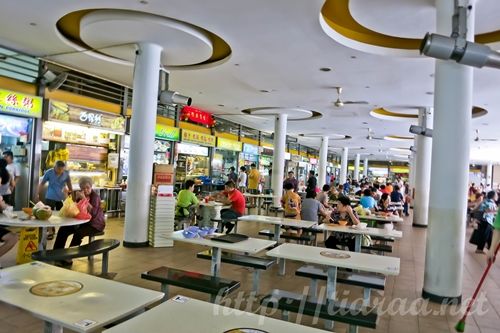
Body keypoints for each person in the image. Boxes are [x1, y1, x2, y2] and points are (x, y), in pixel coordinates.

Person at [53, 177, 105, 266]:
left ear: (91, 187)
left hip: (95, 224)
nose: (85, 190)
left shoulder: (95, 197)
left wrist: (84, 198)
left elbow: (94, 213)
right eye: (83, 188)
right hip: (82, 222)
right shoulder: (80, 196)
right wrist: (68, 196)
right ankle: (56, 253)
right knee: (63, 229)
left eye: (87, 187)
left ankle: (69, 257)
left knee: (78, 233)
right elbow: (73, 209)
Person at [38, 161, 72, 240]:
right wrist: (37, 194)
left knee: (63, 215)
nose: (60, 171)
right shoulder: (49, 172)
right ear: (54, 167)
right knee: (48, 215)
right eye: (58, 169)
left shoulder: (66, 173)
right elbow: (42, 183)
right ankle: (50, 232)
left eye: (61, 170)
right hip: (50, 197)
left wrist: (71, 195)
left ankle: (61, 232)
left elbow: (70, 185)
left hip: (62, 198)